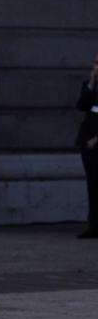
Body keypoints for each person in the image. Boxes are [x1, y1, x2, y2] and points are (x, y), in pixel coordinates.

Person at [75, 51, 98, 239]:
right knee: (92, 184)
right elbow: (81, 105)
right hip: (87, 142)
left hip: (95, 141)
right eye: (94, 62)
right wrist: (91, 84)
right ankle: (93, 225)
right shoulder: (89, 86)